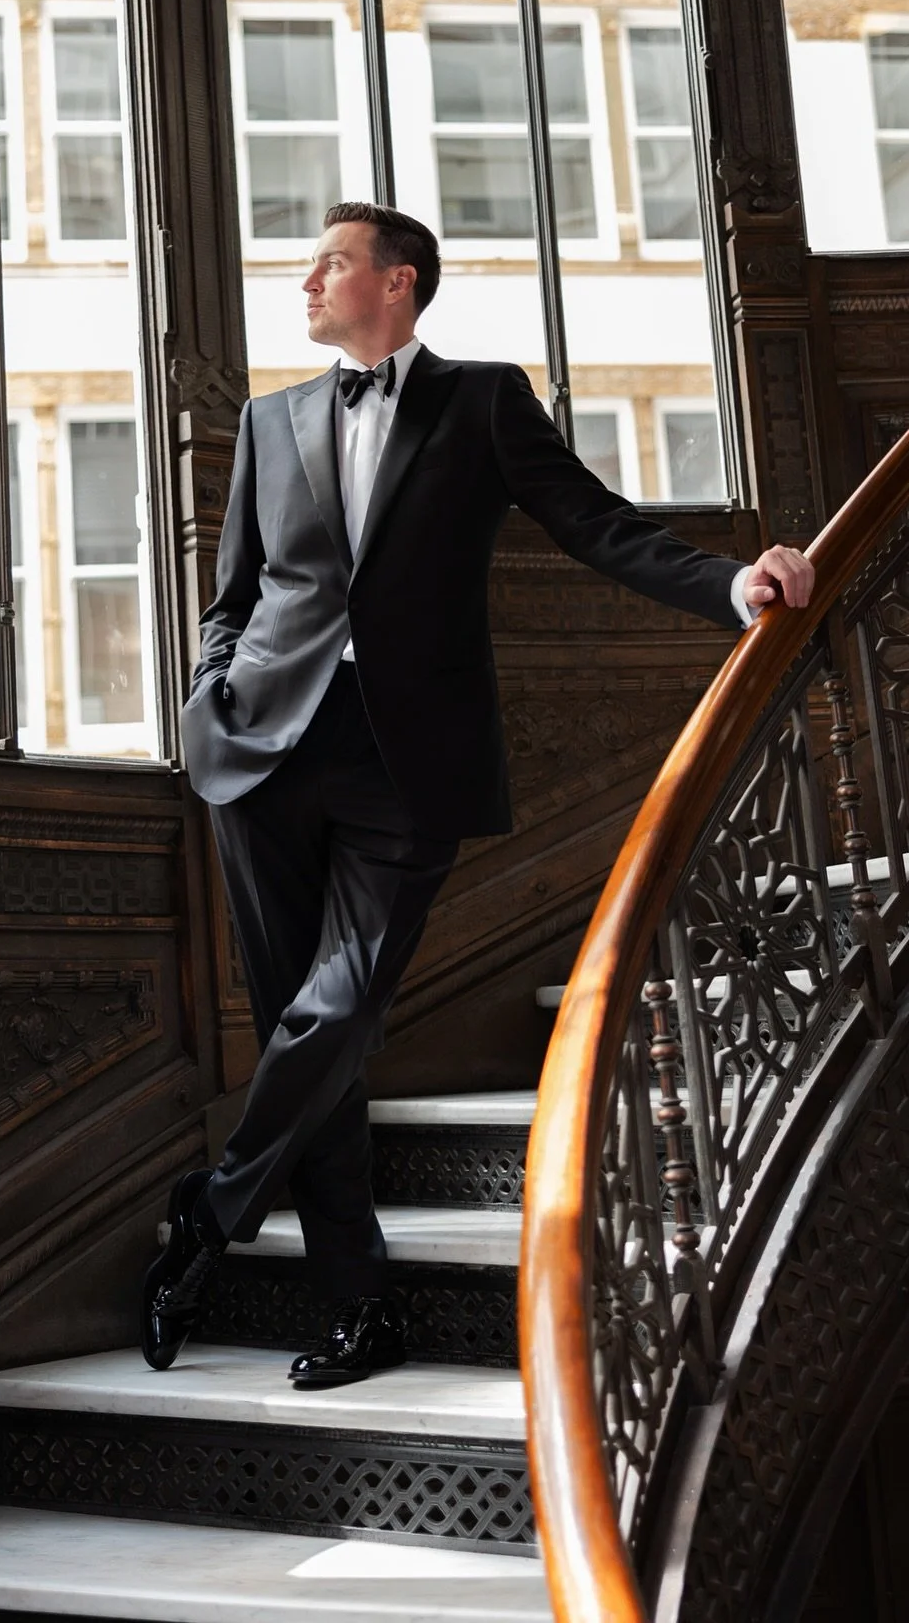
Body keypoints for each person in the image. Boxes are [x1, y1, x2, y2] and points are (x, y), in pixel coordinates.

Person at [141, 202, 814, 1389]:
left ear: (398, 281)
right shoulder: (270, 420)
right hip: (261, 752)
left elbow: (597, 526)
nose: (308, 282)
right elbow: (234, 592)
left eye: (331, 263)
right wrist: (210, 698)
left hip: (410, 758)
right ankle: (360, 1313)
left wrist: (731, 585)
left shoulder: (484, 401)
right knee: (306, 1031)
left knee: (339, 1010)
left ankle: (211, 1210)